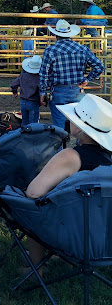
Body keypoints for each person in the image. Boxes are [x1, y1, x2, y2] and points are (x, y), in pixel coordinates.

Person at [25, 94, 112, 273]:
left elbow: (33, 192)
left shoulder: (71, 157)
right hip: (103, 237)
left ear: (80, 128)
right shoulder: (108, 162)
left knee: (31, 208)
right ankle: (69, 263)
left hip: (71, 235)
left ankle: (36, 269)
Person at [39, 20, 104, 129]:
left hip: (58, 90)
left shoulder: (50, 50)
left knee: (58, 125)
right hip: (77, 90)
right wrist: (87, 79)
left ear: (56, 34)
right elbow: (99, 66)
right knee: (80, 124)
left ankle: (60, 145)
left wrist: (42, 93)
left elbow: (44, 74)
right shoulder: (82, 49)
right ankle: (80, 145)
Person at [10, 55, 41, 126]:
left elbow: (13, 84)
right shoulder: (39, 78)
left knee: (24, 122)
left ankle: (24, 136)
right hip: (33, 101)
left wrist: (15, 92)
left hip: (23, 101)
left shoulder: (22, 76)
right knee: (33, 124)